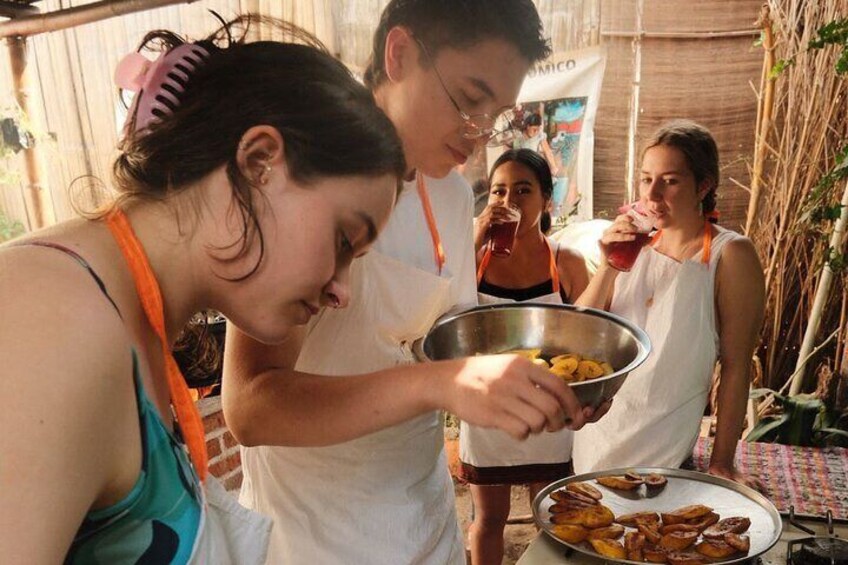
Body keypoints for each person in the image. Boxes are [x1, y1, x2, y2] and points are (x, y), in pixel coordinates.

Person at [0, 16, 407, 563]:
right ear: (259, 161)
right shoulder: (54, 320)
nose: (342, 292)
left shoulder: (128, 316)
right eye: (342, 241)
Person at [223, 2, 610, 563]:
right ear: (399, 54)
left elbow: (444, 343)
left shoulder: (450, 193)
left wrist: (553, 384)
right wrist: (439, 385)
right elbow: (249, 407)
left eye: (496, 113)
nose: (480, 135)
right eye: (470, 99)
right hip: (316, 532)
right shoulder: (307, 176)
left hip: (421, 516)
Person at [573, 120, 765, 488]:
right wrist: (608, 267)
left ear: (704, 186)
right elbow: (581, 331)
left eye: (670, 180)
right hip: (596, 437)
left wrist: (722, 461)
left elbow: (737, 366)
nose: (652, 194)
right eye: (646, 179)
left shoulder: (730, 255)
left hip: (664, 453)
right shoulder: (633, 243)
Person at [463, 148, 590, 564]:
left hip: (549, 411)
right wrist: (474, 239)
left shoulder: (564, 262)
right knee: (489, 519)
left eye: (523, 191)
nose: (509, 202)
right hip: (488, 408)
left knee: (554, 518)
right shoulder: (474, 259)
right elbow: (444, 314)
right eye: (498, 192)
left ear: (546, 200)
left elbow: (590, 335)